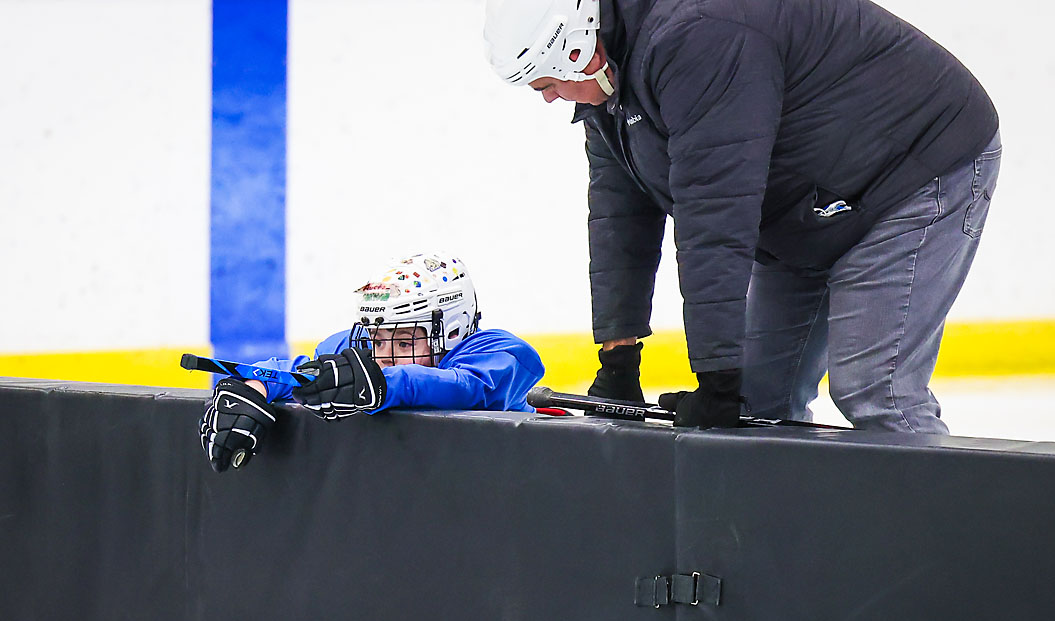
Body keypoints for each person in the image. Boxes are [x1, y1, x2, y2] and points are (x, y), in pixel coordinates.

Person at [483, 0, 1001, 432]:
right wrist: (619, 355)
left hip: (914, 167)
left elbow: (714, 211)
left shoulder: (698, 37)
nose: (551, 97)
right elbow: (620, 214)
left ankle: (930, 550)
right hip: (807, 206)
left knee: (874, 387)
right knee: (758, 401)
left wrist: (717, 377)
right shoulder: (609, 82)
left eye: (548, 83)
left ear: (577, 50)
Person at [199, 252, 545, 472]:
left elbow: (468, 387)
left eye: (406, 340)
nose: (386, 355)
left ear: (452, 331)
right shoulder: (355, 347)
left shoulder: (500, 351)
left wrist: (379, 384)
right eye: (378, 340)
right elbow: (299, 371)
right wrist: (257, 385)